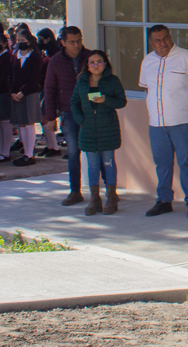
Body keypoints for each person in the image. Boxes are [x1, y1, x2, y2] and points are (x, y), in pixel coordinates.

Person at [139, 24, 188, 218]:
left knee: (186, 161)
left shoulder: (186, 57)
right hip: (157, 123)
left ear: (170, 37)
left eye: (166, 38)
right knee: (162, 163)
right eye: (158, 40)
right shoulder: (147, 61)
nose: (163, 43)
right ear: (151, 42)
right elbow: (147, 88)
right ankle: (164, 200)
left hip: (184, 121)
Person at [70, 49, 125, 215]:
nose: (96, 65)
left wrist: (105, 100)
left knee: (108, 163)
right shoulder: (82, 82)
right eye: (92, 62)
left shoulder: (112, 81)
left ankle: (111, 197)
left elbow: (122, 101)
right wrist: (81, 119)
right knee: (92, 165)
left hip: (108, 129)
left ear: (105, 63)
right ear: (87, 65)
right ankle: (95, 198)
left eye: (99, 61)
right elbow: (74, 102)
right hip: (88, 130)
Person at [42, 26, 87, 205]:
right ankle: (75, 191)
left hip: (91, 112)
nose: (76, 45)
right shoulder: (55, 61)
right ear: (63, 42)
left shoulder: (90, 57)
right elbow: (50, 89)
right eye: (72, 42)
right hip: (68, 113)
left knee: (98, 150)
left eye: (79, 41)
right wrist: (50, 117)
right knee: (73, 152)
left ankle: (108, 190)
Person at [8, 26, 46, 167]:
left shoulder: (35, 56)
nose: (20, 42)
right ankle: (25, 152)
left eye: (22, 40)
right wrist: (12, 91)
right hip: (16, 95)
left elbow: (35, 77)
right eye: (18, 40)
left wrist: (23, 92)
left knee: (29, 123)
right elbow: (10, 75)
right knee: (21, 123)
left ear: (29, 41)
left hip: (29, 94)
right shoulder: (15, 55)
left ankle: (30, 154)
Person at [35, 27, 62, 154]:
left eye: (41, 39)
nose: (39, 42)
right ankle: (50, 145)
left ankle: (55, 147)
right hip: (43, 88)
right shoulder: (44, 53)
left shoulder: (56, 54)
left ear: (48, 39)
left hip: (51, 89)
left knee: (47, 116)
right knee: (42, 117)